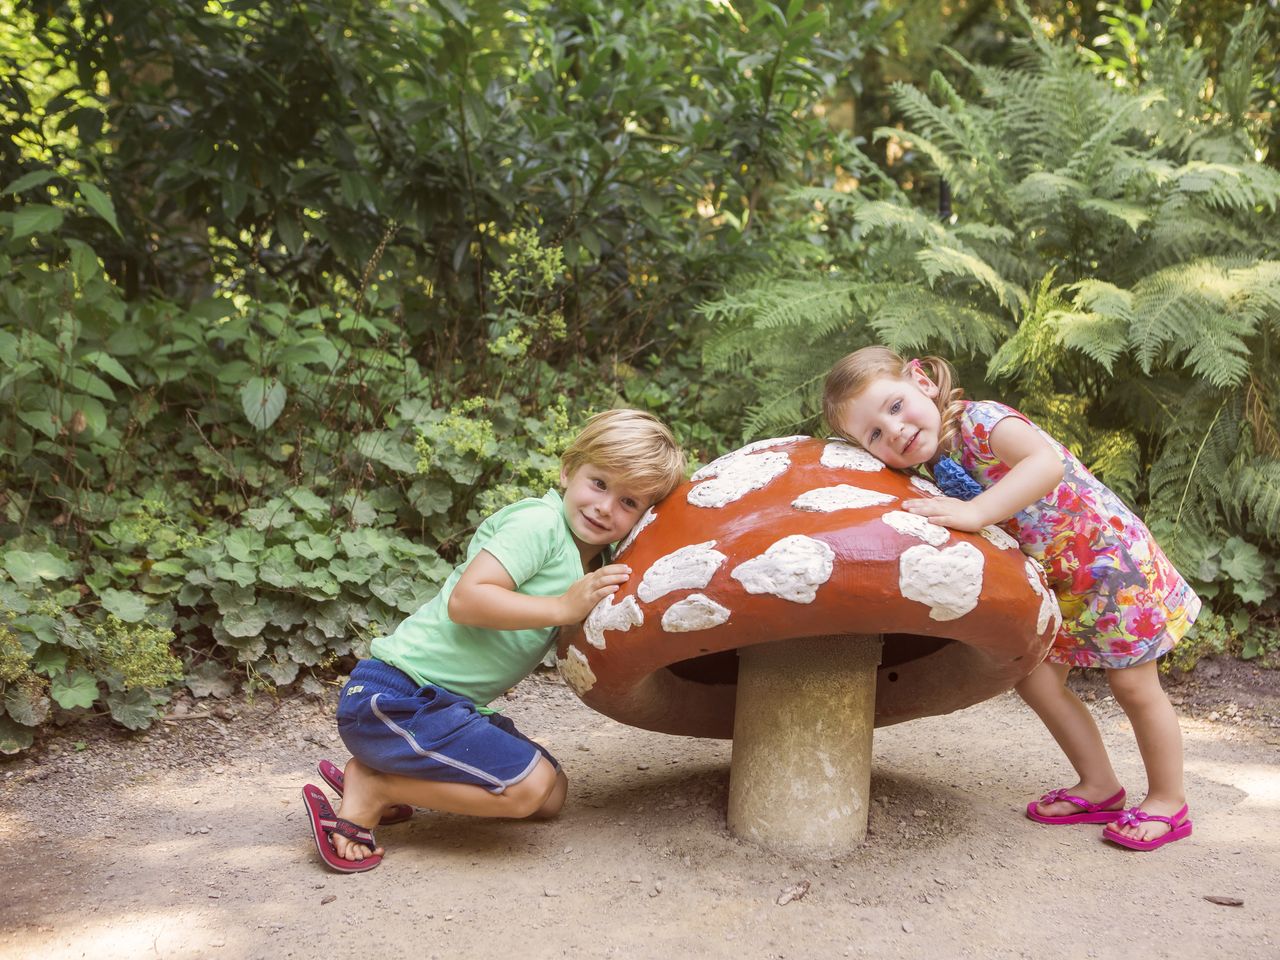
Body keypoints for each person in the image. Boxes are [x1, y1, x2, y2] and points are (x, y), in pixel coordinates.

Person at [822, 346, 1201, 851]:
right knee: (1036, 680)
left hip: (1109, 566)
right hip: (1059, 583)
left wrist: (977, 511)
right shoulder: (934, 465)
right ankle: (1100, 786)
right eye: (874, 434)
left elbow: (1044, 465)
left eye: (894, 407)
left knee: (1133, 685)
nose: (894, 431)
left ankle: (1168, 802)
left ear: (923, 381)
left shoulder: (983, 421)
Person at [301, 409, 686, 872]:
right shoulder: (539, 525)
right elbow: (468, 600)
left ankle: (390, 773)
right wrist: (563, 608)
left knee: (550, 796)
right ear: (568, 470)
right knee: (527, 788)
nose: (606, 507)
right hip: (395, 697)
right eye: (599, 483)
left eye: (629, 502)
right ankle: (374, 786)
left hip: (445, 706)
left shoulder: (594, 558)